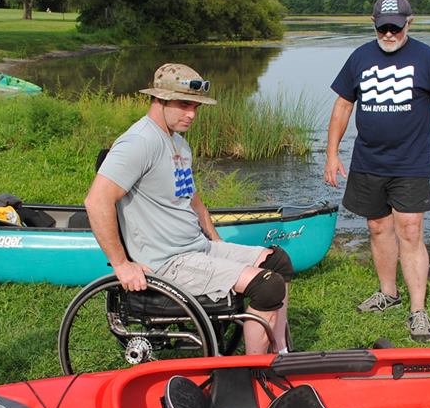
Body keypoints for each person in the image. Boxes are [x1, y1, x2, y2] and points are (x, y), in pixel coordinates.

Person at [84, 63, 294, 355]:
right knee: (267, 287)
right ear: (159, 99)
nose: (192, 114)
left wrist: (216, 242)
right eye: (184, 105)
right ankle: (253, 372)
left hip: (197, 248)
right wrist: (121, 265)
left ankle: (281, 353)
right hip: (168, 262)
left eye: (195, 106)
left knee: (278, 263)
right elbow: (96, 201)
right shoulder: (139, 142)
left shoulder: (179, 144)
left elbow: (193, 200)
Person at [324, 0, 430, 342]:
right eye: (383, 27)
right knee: (377, 228)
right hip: (368, 161)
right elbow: (342, 107)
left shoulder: (427, 58)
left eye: (396, 28)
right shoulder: (359, 57)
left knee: (411, 231)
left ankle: (418, 310)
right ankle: (389, 293)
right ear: (373, 23)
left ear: (409, 23)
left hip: (410, 162)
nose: (389, 34)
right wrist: (331, 154)